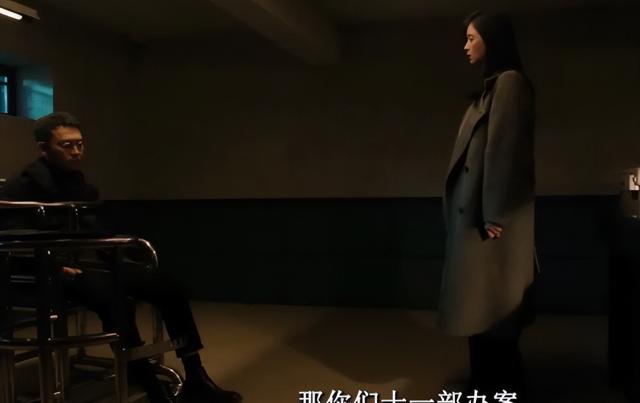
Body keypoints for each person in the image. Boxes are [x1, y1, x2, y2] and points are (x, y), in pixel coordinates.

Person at [0, 112, 242, 403]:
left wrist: (120, 256)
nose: (76, 151)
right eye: (67, 145)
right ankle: (146, 380)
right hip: (43, 271)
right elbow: (10, 240)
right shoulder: (21, 186)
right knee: (112, 298)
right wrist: (54, 265)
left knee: (168, 286)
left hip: (84, 264)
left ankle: (196, 375)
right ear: (43, 148)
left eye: (80, 144)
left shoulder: (81, 185)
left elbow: (97, 232)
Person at [439, 11, 536, 400]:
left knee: (494, 315)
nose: (465, 46)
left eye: (472, 38)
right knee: (481, 315)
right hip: (477, 219)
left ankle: (499, 389)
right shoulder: (490, 90)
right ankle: (485, 386)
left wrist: (495, 212)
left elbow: (505, 151)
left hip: (487, 222)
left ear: (492, 40)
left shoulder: (510, 83)